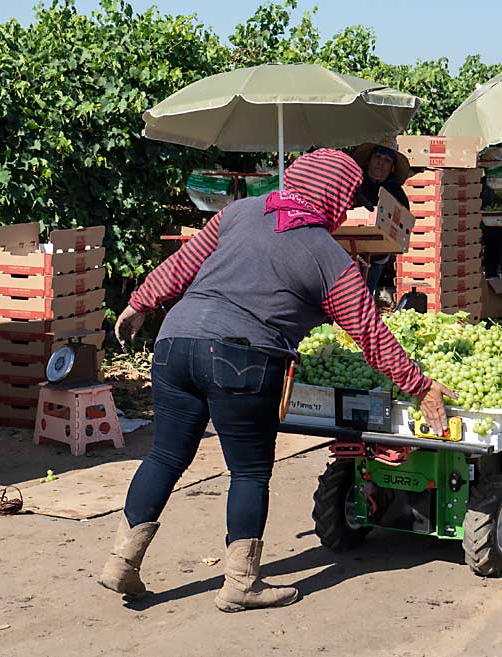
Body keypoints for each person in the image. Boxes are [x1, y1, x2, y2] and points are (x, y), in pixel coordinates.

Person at [102, 149, 454, 612]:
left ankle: (121, 561)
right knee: (249, 471)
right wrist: (420, 385)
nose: (345, 210)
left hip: (174, 344)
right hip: (242, 358)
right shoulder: (326, 256)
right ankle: (241, 584)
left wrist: (140, 302)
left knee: (165, 456)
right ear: (334, 196)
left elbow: (184, 264)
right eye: (346, 199)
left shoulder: (240, 212)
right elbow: (370, 332)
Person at [352, 142, 412, 293]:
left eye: (387, 160)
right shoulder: (355, 183)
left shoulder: (394, 190)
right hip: (348, 251)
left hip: (377, 256)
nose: (380, 163)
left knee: (365, 296)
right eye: (377, 157)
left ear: (392, 167)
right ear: (369, 160)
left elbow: (404, 222)